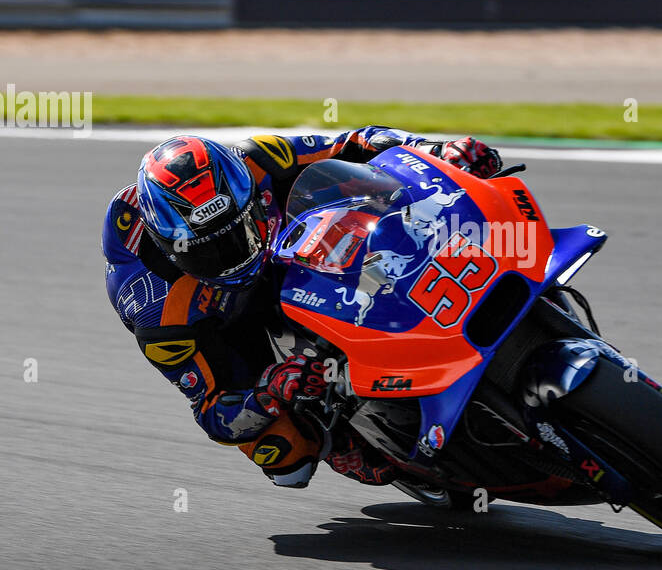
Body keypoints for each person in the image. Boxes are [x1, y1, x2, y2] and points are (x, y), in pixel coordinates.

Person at [101, 128, 502, 487]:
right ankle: (340, 437)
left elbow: (356, 143)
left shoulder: (255, 158)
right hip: (226, 318)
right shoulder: (158, 311)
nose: (232, 255)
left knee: (388, 199)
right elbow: (212, 412)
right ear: (173, 250)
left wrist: (436, 149)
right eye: (210, 251)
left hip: (286, 246)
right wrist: (270, 391)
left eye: (239, 230)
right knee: (284, 456)